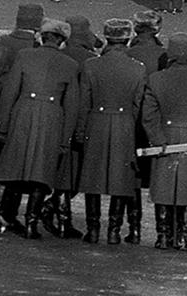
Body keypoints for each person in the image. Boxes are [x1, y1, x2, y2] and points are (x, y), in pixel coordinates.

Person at [0, 18, 80, 239]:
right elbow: (71, 106)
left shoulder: (24, 55)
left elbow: (10, 92)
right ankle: (31, 225)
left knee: (7, 169)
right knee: (42, 172)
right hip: (52, 118)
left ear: (42, 37)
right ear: (62, 41)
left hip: (23, 113)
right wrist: (64, 139)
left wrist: (2, 124)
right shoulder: (70, 65)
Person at [140, 33, 187, 250]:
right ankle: (185, 238)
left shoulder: (156, 78)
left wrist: (158, 139)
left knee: (163, 189)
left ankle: (163, 236)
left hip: (165, 137)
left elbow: (149, 115)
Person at [74, 18, 146, 244]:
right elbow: (137, 104)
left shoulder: (91, 65)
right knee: (121, 179)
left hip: (96, 122)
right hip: (124, 124)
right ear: (128, 39)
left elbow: (84, 102)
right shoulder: (138, 68)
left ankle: (93, 229)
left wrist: (80, 131)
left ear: (107, 38)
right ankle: (114, 230)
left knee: (91, 178)